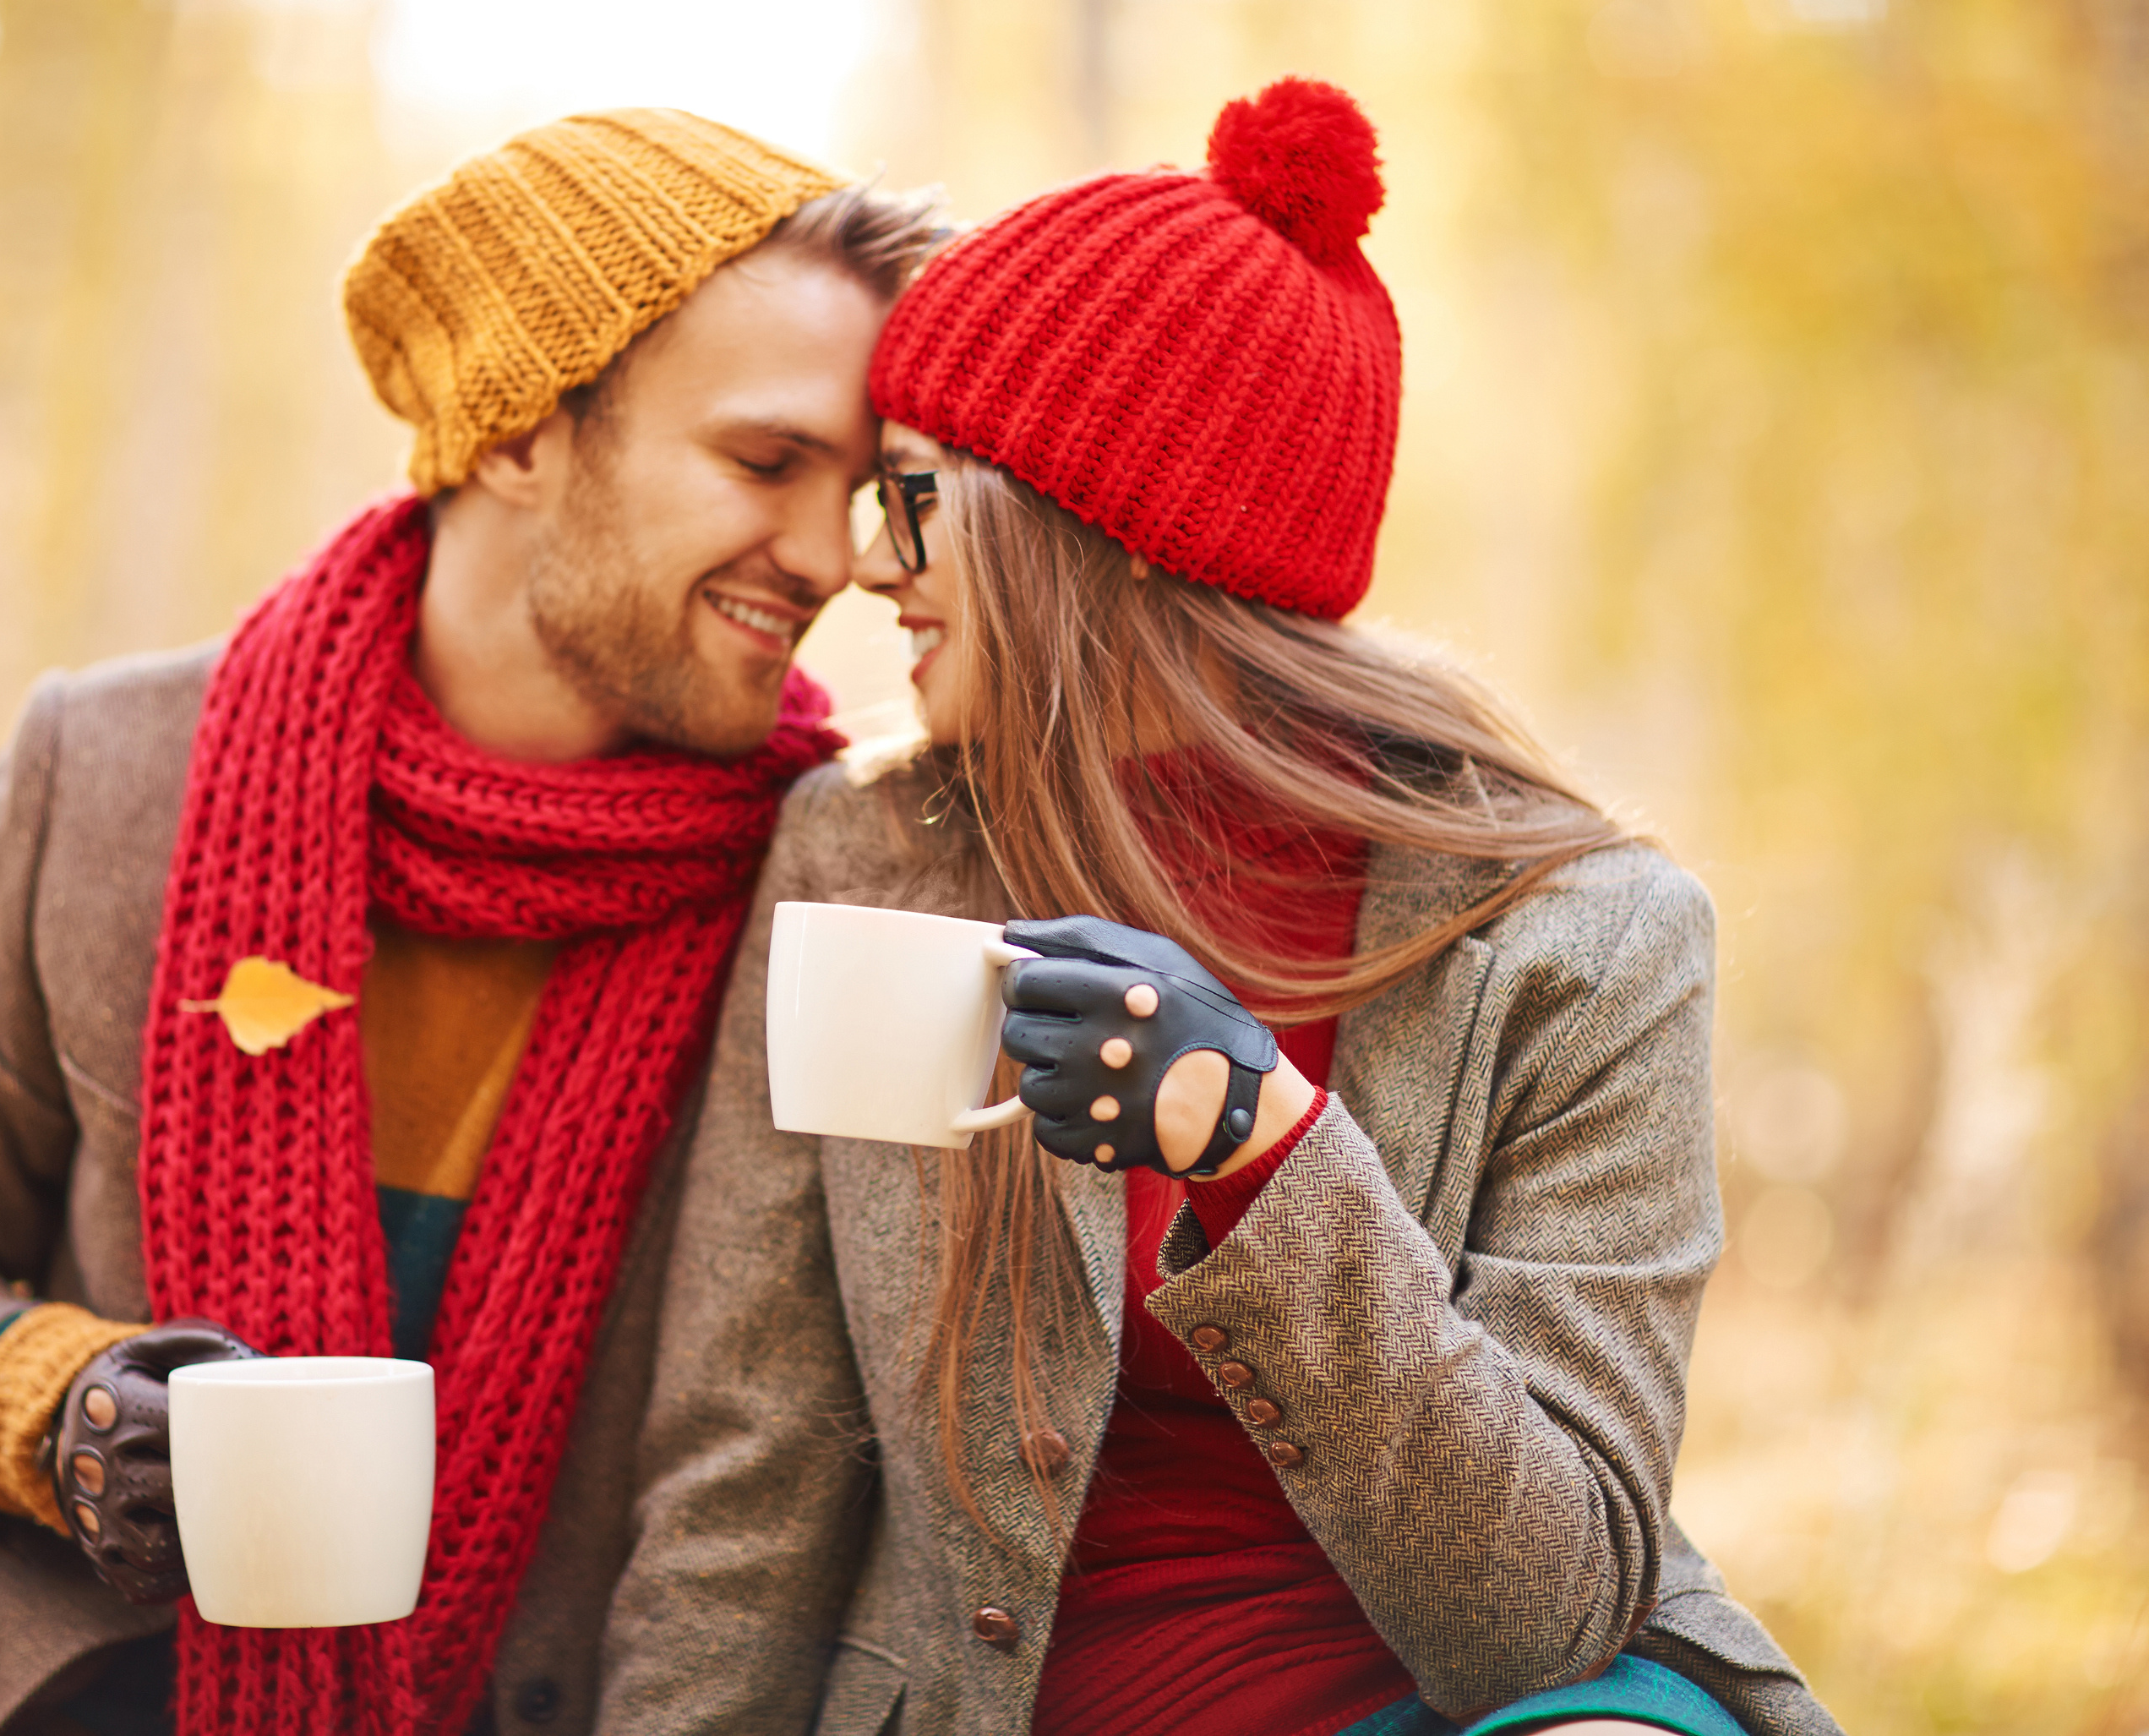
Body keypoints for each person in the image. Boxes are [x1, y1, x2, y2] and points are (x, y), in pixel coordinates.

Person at [0, 111, 941, 1736]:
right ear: (521, 432)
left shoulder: (834, 880)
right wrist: (50, 1400)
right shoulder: (104, 776)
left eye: (860, 488)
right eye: (764, 462)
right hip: (68, 1682)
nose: (831, 559)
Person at [596, 80, 1844, 1736]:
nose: (865, 566)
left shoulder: (1584, 936)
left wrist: (1263, 1148)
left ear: (1088, 525)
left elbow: (1541, 1610)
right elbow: (742, 1481)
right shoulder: (863, 858)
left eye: (910, 495)